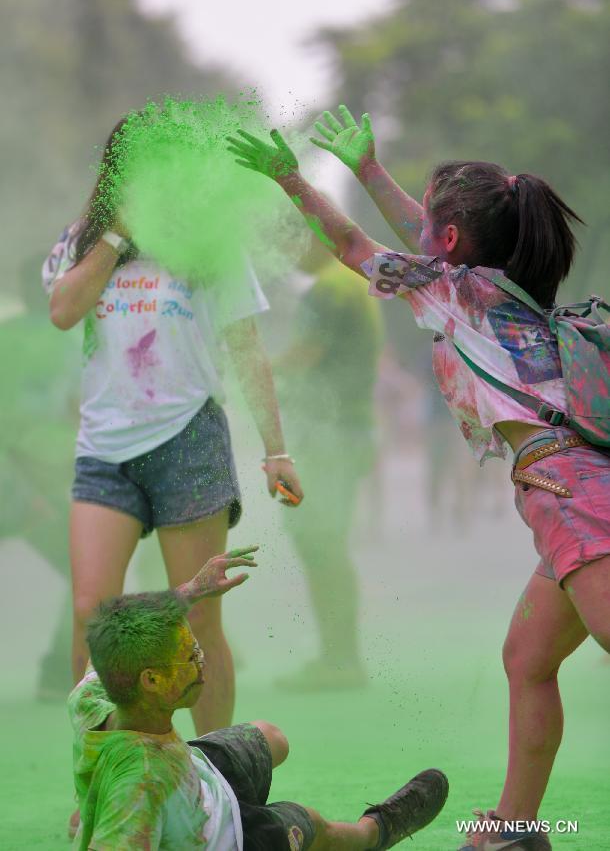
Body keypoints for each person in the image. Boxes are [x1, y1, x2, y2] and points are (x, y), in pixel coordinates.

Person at [226, 107, 610, 850]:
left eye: (430, 226)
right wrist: (368, 170)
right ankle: (513, 829)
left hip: (571, 495)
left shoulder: (459, 295)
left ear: (451, 243)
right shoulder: (499, 289)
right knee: (528, 660)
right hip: (575, 487)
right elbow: (420, 237)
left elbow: (349, 243)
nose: (419, 234)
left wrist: (289, 179)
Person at [44, 116, 303, 736]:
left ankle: (220, 778)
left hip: (188, 439)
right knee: (93, 615)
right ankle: (106, 772)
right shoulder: (82, 240)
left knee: (198, 622)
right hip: (104, 450)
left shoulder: (209, 243)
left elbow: (246, 349)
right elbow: (62, 311)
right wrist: (115, 237)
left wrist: (276, 451)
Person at [71, 544, 448, 850]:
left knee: (273, 737)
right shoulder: (141, 784)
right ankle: (375, 833)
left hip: (199, 772)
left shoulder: (93, 698)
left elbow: (115, 630)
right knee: (314, 824)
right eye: (191, 657)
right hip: (231, 837)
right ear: (151, 679)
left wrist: (192, 592)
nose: (203, 663)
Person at [272, 236, 383, 689]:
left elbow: (305, 356)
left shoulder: (329, 289)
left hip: (328, 436)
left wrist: (253, 371)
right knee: (324, 544)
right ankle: (339, 657)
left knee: (321, 544)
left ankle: (340, 661)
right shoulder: (351, 283)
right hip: (348, 431)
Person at [0, 256, 80, 698]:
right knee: (85, 567)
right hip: (33, 477)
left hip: (13, 478)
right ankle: (56, 671)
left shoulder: (3, 337)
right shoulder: (71, 338)